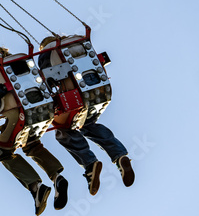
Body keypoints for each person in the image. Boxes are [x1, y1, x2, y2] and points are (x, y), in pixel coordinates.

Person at [0, 46, 68, 216]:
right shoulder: (23, 62)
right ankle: (57, 177)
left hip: (19, 114)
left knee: (4, 151)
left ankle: (36, 187)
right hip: (42, 110)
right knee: (32, 145)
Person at [38, 36, 135, 196]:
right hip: (99, 91)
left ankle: (90, 165)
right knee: (88, 124)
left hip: (73, 95)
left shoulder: (47, 53)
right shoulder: (77, 45)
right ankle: (120, 156)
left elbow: (48, 81)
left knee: (62, 131)